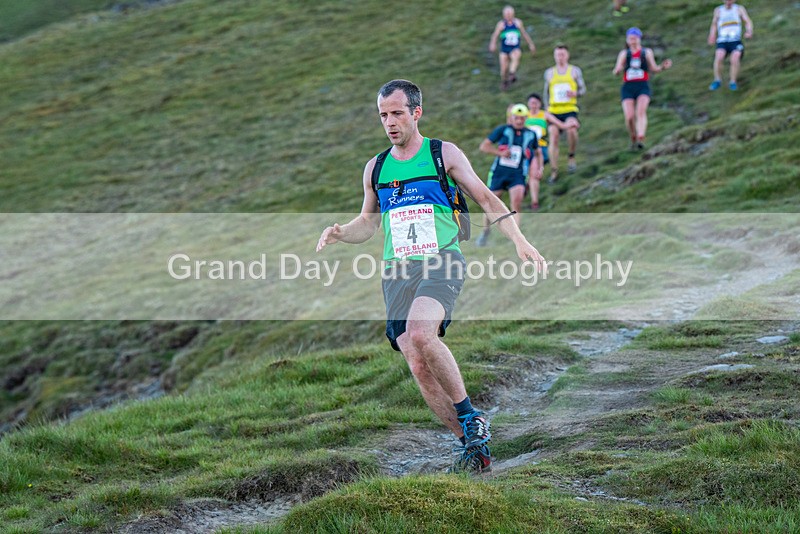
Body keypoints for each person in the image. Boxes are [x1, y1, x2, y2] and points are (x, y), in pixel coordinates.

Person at [316, 80, 546, 473]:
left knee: (422, 332)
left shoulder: (444, 154)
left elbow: (488, 200)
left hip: (442, 260)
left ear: (416, 112)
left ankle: (471, 415)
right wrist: (341, 234)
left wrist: (519, 240)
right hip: (396, 271)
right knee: (417, 361)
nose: (390, 122)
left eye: (397, 113)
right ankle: (473, 446)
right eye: (383, 115)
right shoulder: (376, 167)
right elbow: (368, 225)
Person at [475, 103, 542, 247]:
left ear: (525, 118)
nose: (519, 121)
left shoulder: (531, 134)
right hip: (499, 172)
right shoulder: (502, 130)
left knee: (516, 203)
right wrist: (500, 153)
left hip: (517, 174)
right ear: (511, 118)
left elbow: (538, 152)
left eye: (522, 118)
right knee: (489, 204)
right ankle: (485, 232)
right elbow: (484, 146)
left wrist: (538, 168)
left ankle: (516, 239)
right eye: (516, 118)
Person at [612, 27, 672, 150]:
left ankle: (641, 137)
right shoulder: (624, 54)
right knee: (629, 117)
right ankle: (633, 137)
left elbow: (653, 68)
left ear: (639, 39)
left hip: (643, 85)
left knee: (640, 111)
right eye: (630, 39)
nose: (632, 41)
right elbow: (617, 69)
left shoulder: (646, 52)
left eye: (634, 38)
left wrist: (663, 67)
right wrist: (617, 71)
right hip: (628, 86)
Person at [543, 45, 586, 183]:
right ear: (554, 56)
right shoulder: (549, 73)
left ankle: (571, 156)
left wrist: (576, 93)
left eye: (562, 54)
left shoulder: (574, 71)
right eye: (557, 54)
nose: (560, 57)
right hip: (554, 110)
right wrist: (546, 108)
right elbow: (546, 92)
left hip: (569, 109)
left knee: (572, 131)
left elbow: (583, 89)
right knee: (553, 135)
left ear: (567, 55)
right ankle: (554, 169)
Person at [525, 93, 568, 207]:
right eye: (531, 103)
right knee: (531, 171)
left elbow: (560, 124)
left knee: (533, 171)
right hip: (525, 149)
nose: (533, 105)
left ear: (539, 104)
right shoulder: (524, 115)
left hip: (540, 146)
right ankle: (529, 189)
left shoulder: (544, 115)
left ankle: (533, 198)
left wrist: (570, 124)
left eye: (536, 103)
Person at [707, 0, 753, 91]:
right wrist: (712, 35)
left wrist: (749, 31)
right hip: (722, 40)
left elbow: (747, 21)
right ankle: (717, 80)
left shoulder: (739, 9)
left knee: (735, 58)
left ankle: (733, 82)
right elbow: (714, 24)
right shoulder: (718, 10)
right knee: (719, 56)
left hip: (735, 40)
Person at [488, 5, 536, 91]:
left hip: (515, 47)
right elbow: (495, 35)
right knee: (503, 69)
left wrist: (530, 44)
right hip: (504, 49)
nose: (508, 16)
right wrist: (493, 44)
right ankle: (505, 81)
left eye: (510, 14)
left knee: (516, 56)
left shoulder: (517, 23)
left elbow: (524, 34)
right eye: (506, 14)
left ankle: (512, 73)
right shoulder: (501, 24)